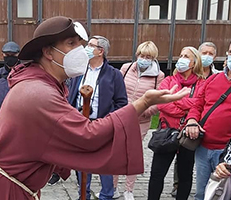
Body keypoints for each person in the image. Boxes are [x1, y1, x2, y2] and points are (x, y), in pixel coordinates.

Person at [0, 16, 190, 200]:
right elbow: (88, 134)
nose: (81, 51)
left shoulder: (43, 84)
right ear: (48, 53)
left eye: (81, 43)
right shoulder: (39, 93)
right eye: (71, 43)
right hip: (8, 189)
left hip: (17, 184)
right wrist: (143, 103)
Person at [67, 35, 128, 200]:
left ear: (100, 51)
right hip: (80, 124)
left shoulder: (113, 75)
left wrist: (109, 120)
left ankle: (106, 196)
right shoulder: (79, 71)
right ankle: (83, 194)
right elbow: (70, 97)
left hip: (102, 125)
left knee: (104, 163)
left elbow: (122, 102)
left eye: (91, 45)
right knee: (81, 164)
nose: (87, 48)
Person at [148, 46, 205, 200]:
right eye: (181, 55)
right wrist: (186, 106)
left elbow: (199, 105)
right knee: (157, 175)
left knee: (185, 176)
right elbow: (162, 104)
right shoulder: (169, 80)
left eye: (186, 56)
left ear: (194, 63)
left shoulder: (201, 84)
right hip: (167, 133)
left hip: (188, 136)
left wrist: (176, 99)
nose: (181, 59)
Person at [115, 41, 164, 200]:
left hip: (140, 121)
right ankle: (113, 187)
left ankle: (129, 189)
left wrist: (144, 111)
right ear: (137, 55)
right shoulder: (126, 68)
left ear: (153, 58)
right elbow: (117, 90)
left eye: (148, 57)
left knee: (133, 154)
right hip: (121, 117)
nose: (144, 59)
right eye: (142, 55)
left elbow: (158, 101)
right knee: (116, 151)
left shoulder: (159, 76)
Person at [185, 40, 231, 200]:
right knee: (201, 194)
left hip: (227, 153)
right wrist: (192, 121)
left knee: (224, 195)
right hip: (203, 148)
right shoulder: (213, 79)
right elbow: (197, 105)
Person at [0, 41, 20, 125]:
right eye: (7, 55)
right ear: (2, 55)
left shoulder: (25, 72)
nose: (10, 58)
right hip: (0, 117)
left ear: (18, 55)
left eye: (13, 55)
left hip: (18, 118)